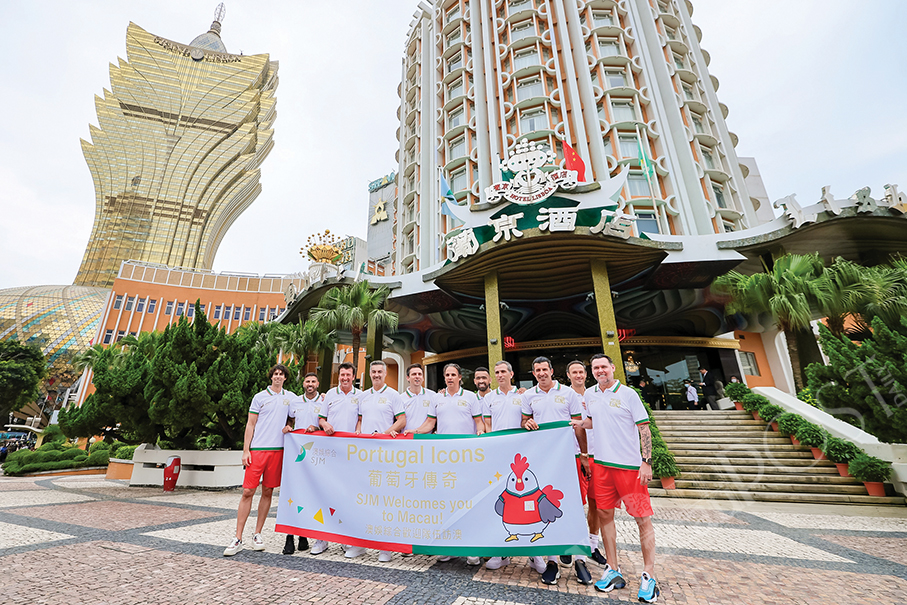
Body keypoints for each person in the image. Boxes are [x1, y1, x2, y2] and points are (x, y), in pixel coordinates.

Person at [572, 353, 659, 603]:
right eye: (595, 368)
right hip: (601, 466)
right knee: (605, 517)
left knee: (642, 520)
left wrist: (646, 462)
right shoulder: (590, 394)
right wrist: (575, 424)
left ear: (612, 368)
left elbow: (644, 427)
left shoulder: (628, 394)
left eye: (603, 367)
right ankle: (613, 569)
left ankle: (648, 576)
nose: (600, 371)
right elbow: (592, 422)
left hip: (629, 468)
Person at [521, 356, 593, 586]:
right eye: (537, 370)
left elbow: (578, 426)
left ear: (552, 371)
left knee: (575, 506)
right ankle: (552, 561)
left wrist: (584, 455)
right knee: (547, 509)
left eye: (545, 369)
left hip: (569, 457)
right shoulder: (528, 396)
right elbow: (525, 419)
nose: (541, 373)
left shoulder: (569, 394)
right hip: (544, 460)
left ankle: (580, 559)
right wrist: (527, 423)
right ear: (533, 373)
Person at [406, 363, 484, 566]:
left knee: (468, 502)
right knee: (446, 502)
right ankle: (447, 548)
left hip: (467, 457)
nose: (449, 378)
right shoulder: (436, 398)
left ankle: (471, 549)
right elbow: (430, 424)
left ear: (460, 377)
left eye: (453, 375)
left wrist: (481, 435)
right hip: (443, 458)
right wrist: (413, 432)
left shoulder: (471, 397)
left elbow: (479, 423)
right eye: (447, 375)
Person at [481, 360, 547, 575]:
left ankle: (534, 553)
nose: (500, 375)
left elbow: (527, 420)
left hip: (522, 454)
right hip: (498, 455)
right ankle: (501, 553)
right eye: (497, 372)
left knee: (529, 501)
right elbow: (488, 425)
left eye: (503, 371)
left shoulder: (523, 396)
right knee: (504, 503)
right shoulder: (488, 398)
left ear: (511, 374)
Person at [224, 364, 295, 556]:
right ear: (271, 377)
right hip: (257, 451)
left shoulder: (290, 398)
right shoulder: (259, 397)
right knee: (248, 491)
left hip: (277, 451)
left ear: (285, 378)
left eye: (281, 374)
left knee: (268, 491)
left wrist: (289, 424)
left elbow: (301, 411)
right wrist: (246, 450)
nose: (278, 377)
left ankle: (257, 534)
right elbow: (250, 424)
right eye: (275, 374)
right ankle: (238, 537)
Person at [357, 360, 406, 562]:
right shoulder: (363, 397)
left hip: (386, 454)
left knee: (386, 499)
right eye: (374, 372)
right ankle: (361, 543)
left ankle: (385, 547)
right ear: (369, 374)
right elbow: (360, 420)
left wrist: (384, 434)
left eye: (380, 372)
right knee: (365, 497)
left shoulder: (394, 395)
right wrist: (359, 431)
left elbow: (402, 420)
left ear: (385, 374)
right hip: (366, 455)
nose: (377, 374)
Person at [314, 362, 363, 558]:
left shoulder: (361, 395)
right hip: (330, 451)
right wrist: (325, 424)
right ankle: (321, 538)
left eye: (348, 375)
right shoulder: (330, 395)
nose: (344, 378)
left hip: (350, 453)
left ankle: (344, 538)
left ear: (353, 376)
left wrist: (359, 429)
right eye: (342, 375)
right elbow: (320, 418)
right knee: (326, 493)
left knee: (347, 495)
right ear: (339, 376)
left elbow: (361, 418)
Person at [566, 360, 608, 569]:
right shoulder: (564, 395)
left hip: (596, 454)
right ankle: (570, 544)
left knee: (596, 502)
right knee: (574, 503)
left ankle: (592, 545)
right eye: (574, 372)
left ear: (586, 374)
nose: (578, 375)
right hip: (573, 455)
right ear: (568, 375)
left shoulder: (594, 395)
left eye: (581, 372)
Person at [282, 372, 323, 555]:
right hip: (296, 453)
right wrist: (288, 427)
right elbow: (290, 419)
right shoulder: (295, 402)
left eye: (313, 381)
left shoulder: (324, 401)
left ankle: (305, 535)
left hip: (317, 455)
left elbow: (326, 423)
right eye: (307, 381)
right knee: (293, 492)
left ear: (317, 384)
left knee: (311, 494)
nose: (310, 384)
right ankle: (290, 536)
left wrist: (316, 427)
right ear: (303, 384)